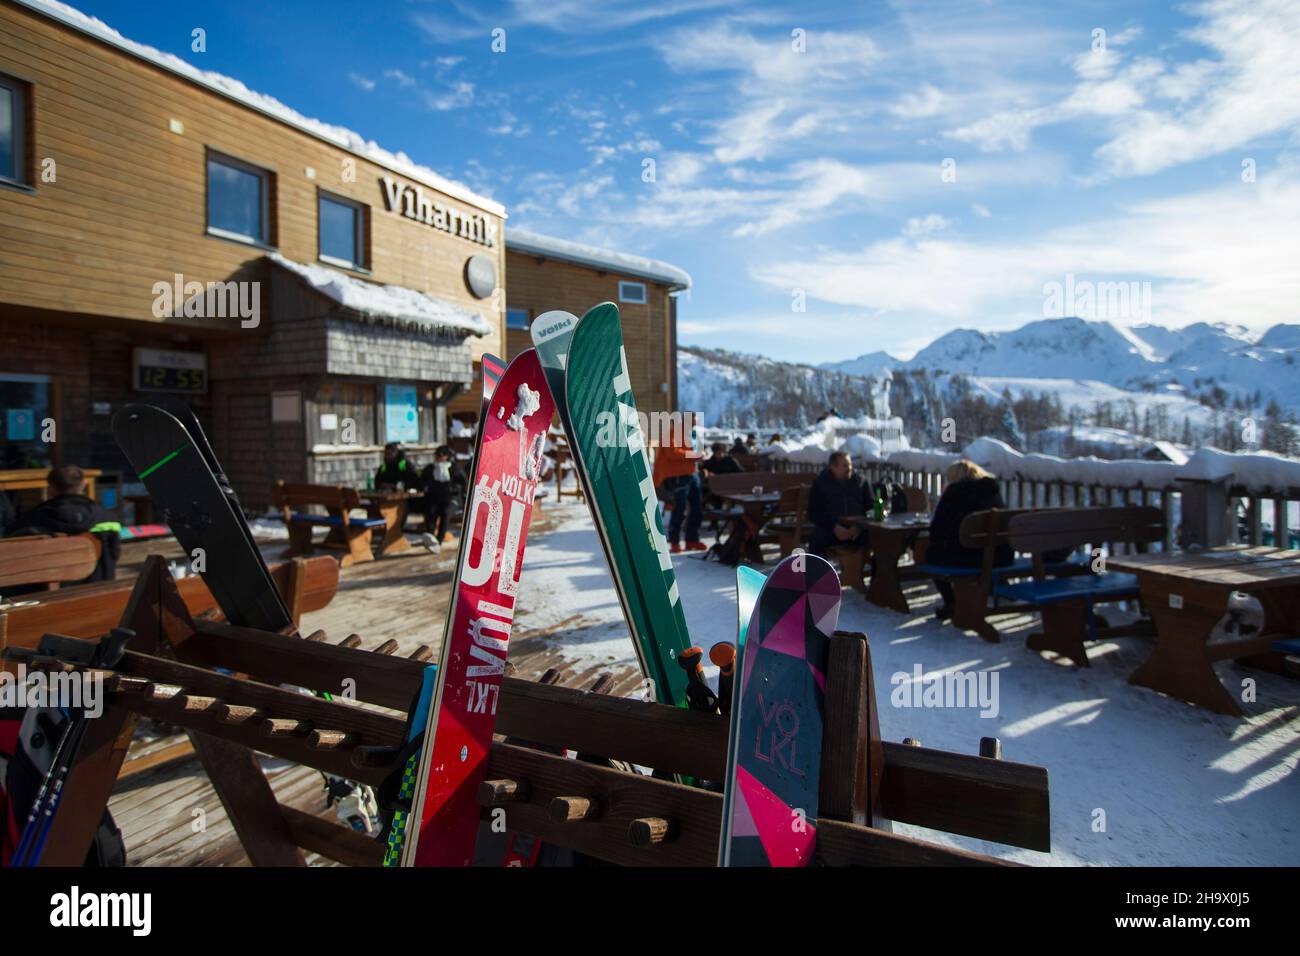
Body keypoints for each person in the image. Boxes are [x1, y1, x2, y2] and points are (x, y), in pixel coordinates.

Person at [924, 459, 1012, 621]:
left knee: (929, 554)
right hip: (1000, 556)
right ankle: (986, 590)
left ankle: (950, 602)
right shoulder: (992, 491)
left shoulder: (954, 494)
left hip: (967, 557)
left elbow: (936, 531)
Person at [6, 465, 121, 582]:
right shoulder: (108, 518)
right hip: (97, 586)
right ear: (83, 484)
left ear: (51, 488)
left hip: (48, 589)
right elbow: (114, 554)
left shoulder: (31, 519)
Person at [807, 451, 870, 559]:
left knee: (880, 540)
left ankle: (879, 575)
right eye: (845, 465)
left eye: (850, 464)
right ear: (833, 467)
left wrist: (859, 526)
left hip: (858, 529)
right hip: (832, 529)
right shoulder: (821, 483)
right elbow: (813, 512)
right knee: (816, 540)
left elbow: (870, 506)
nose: (849, 468)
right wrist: (834, 527)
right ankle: (820, 575)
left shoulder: (861, 482)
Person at [653, 435, 706, 554]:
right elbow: (672, 453)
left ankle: (692, 540)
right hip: (679, 476)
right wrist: (694, 455)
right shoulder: (672, 433)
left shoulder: (693, 434)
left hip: (693, 474)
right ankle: (674, 541)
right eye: (691, 417)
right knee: (679, 509)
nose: (694, 420)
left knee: (696, 508)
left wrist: (701, 455)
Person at [418, 446, 466, 554]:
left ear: (447, 456)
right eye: (437, 455)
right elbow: (421, 482)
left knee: (445, 513)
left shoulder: (454, 468)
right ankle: (430, 536)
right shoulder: (430, 468)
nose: (438, 457)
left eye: (441, 455)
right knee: (430, 511)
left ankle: (439, 540)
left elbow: (463, 484)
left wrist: (456, 490)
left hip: (451, 498)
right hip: (435, 498)